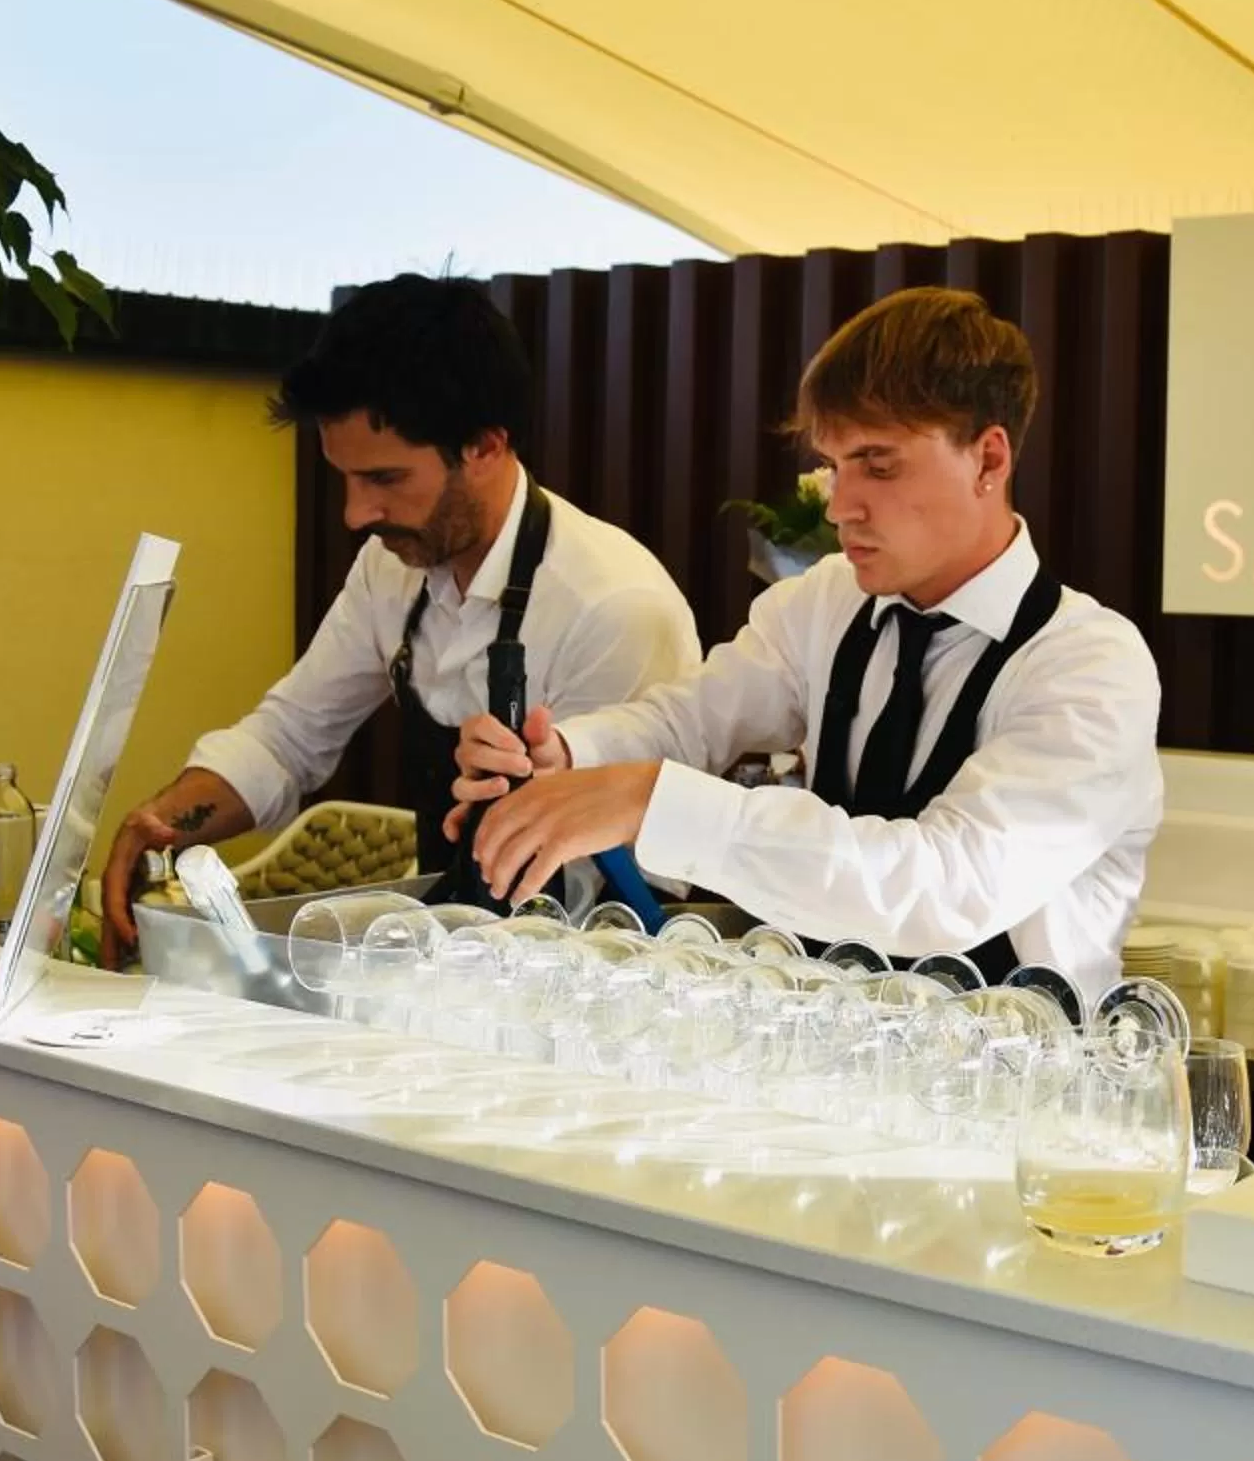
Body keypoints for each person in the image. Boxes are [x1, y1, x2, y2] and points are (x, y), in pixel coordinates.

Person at [451, 286, 1162, 1007]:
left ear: (988, 459)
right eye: (836, 464)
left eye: (878, 466)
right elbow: (688, 722)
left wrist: (650, 801)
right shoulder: (824, 603)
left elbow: (944, 887)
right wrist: (566, 757)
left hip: (1026, 1092)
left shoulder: (1092, 666)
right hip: (840, 1070)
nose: (839, 504)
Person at [103, 274, 701, 958]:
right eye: (346, 479)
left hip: (589, 974)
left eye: (384, 480)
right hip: (453, 960)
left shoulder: (612, 605)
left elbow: (612, 891)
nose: (356, 515)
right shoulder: (392, 567)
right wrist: (165, 823)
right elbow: (288, 738)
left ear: (484, 445)